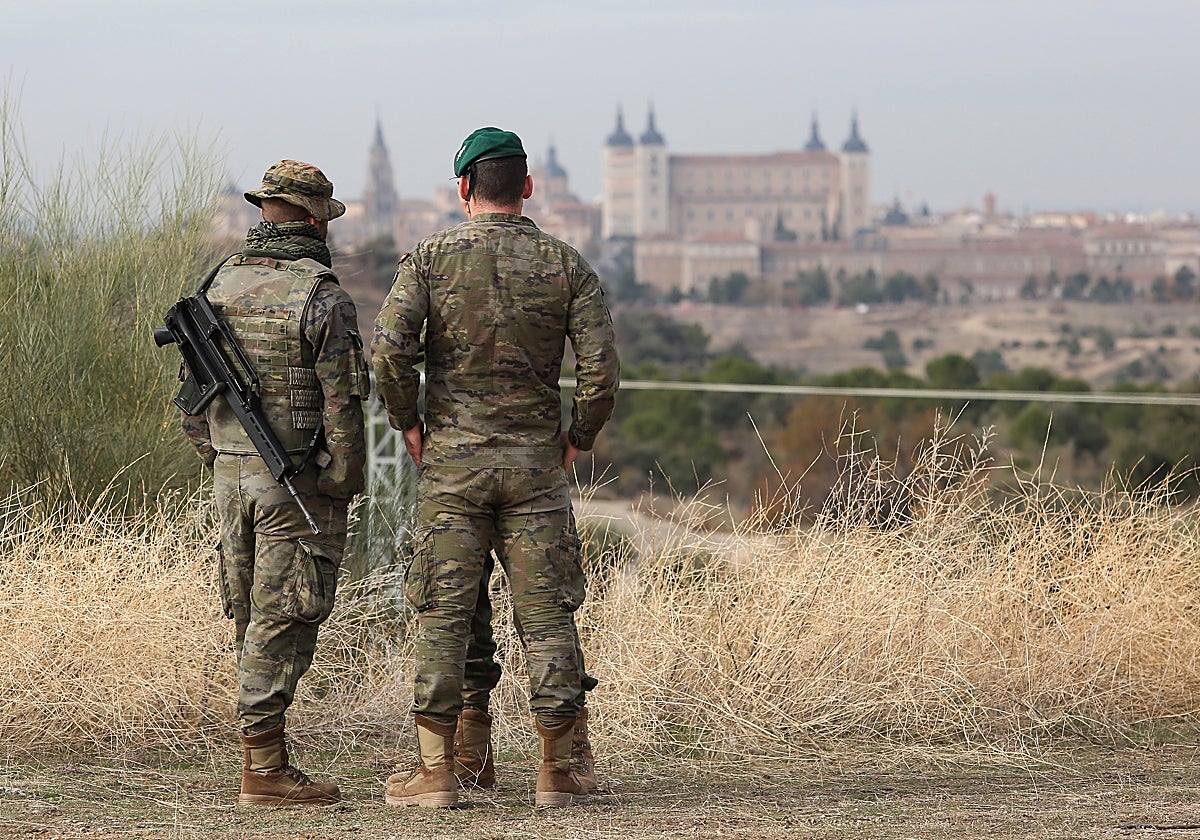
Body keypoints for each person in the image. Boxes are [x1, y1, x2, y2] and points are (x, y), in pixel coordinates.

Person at [372, 127, 619, 809]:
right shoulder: (565, 264)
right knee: (547, 617)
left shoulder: (429, 260)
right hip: (535, 468)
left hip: (453, 468)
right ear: (528, 188)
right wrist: (578, 436)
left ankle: (438, 773)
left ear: (464, 189)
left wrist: (410, 424)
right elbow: (601, 370)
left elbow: (389, 355)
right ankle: (557, 771)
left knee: (443, 617)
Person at [179, 159, 369, 806]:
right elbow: (343, 407)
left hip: (231, 476)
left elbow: (190, 399)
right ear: (315, 220)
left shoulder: (217, 283)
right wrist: (342, 484)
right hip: (293, 483)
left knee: (248, 614)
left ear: (265, 212)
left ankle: (265, 756)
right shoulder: (323, 295)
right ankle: (263, 772)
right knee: (282, 616)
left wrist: (219, 459)